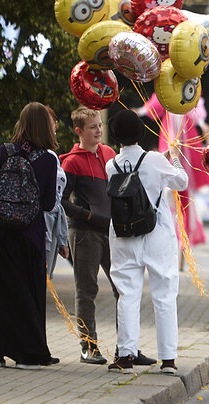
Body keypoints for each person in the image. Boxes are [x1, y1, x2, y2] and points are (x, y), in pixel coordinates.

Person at [61, 107, 154, 366]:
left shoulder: (110, 154)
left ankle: (127, 348)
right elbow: (60, 201)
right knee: (86, 290)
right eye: (92, 127)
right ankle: (88, 347)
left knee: (123, 289)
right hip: (84, 234)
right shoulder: (72, 161)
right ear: (79, 131)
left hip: (113, 232)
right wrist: (88, 215)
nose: (98, 131)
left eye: (100, 126)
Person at [0, 102, 59, 369]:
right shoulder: (47, 159)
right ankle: (29, 354)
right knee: (28, 294)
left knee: (0, 294)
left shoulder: (3, 152)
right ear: (45, 126)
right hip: (29, 235)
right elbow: (47, 204)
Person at [104, 110, 188, 375]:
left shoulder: (110, 165)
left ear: (116, 135)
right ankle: (168, 360)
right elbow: (181, 181)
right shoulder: (153, 159)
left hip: (123, 237)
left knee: (127, 296)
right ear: (141, 131)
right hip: (156, 236)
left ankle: (125, 356)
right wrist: (174, 159)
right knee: (164, 296)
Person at [135, 93, 209, 248]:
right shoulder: (167, 86)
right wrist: (142, 111)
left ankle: (185, 238)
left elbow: (195, 103)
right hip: (171, 131)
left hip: (186, 132)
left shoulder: (188, 86)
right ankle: (175, 236)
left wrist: (202, 123)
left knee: (186, 191)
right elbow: (157, 102)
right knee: (170, 188)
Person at [44, 106, 69, 277]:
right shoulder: (45, 157)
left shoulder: (52, 156)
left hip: (52, 226)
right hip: (41, 228)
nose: (54, 127)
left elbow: (58, 201)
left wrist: (61, 238)